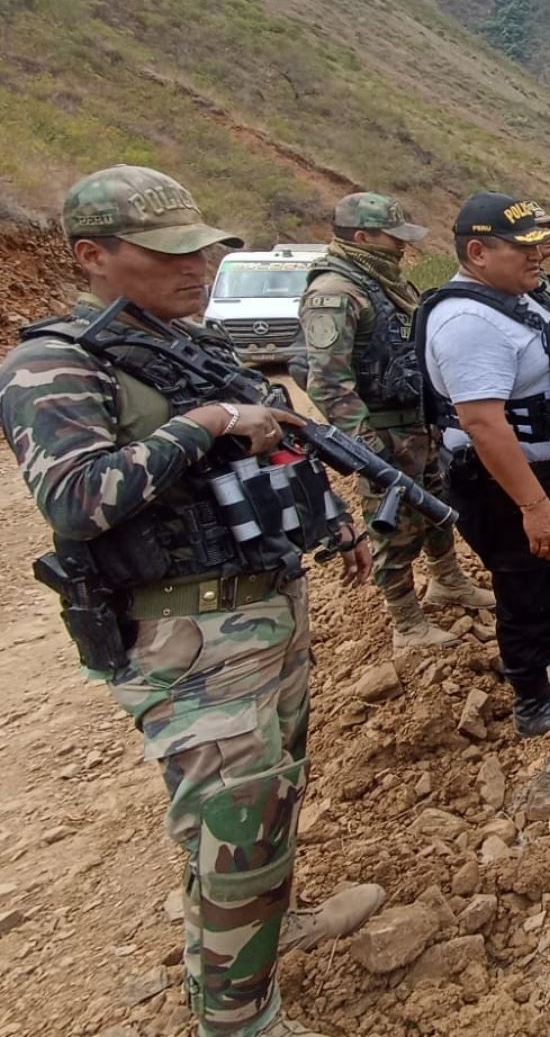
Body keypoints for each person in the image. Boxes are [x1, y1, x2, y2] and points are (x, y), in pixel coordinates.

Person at [0, 166, 384, 1037]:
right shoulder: (53, 361)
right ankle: (241, 1018)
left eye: (201, 251)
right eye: (169, 254)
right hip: (186, 628)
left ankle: (261, 934)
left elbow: (267, 454)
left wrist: (331, 521)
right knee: (236, 816)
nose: (196, 269)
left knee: (261, 806)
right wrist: (206, 422)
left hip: (260, 604)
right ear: (91, 255)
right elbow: (77, 497)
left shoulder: (188, 347)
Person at [416, 193, 550, 737]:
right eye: (524, 246)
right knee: (526, 582)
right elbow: (483, 424)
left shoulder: (514, 299)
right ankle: (533, 700)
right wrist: (533, 505)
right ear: (478, 252)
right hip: (502, 482)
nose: (540, 254)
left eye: (540, 243)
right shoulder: (468, 323)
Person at [300, 192, 494, 653]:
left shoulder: (383, 282)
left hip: (417, 423)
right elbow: (327, 384)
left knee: (436, 507)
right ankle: (406, 622)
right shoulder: (335, 292)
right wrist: (366, 448)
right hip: (382, 432)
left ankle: (447, 580)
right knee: (396, 526)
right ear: (362, 237)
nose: (402, 245)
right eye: (393, 237)